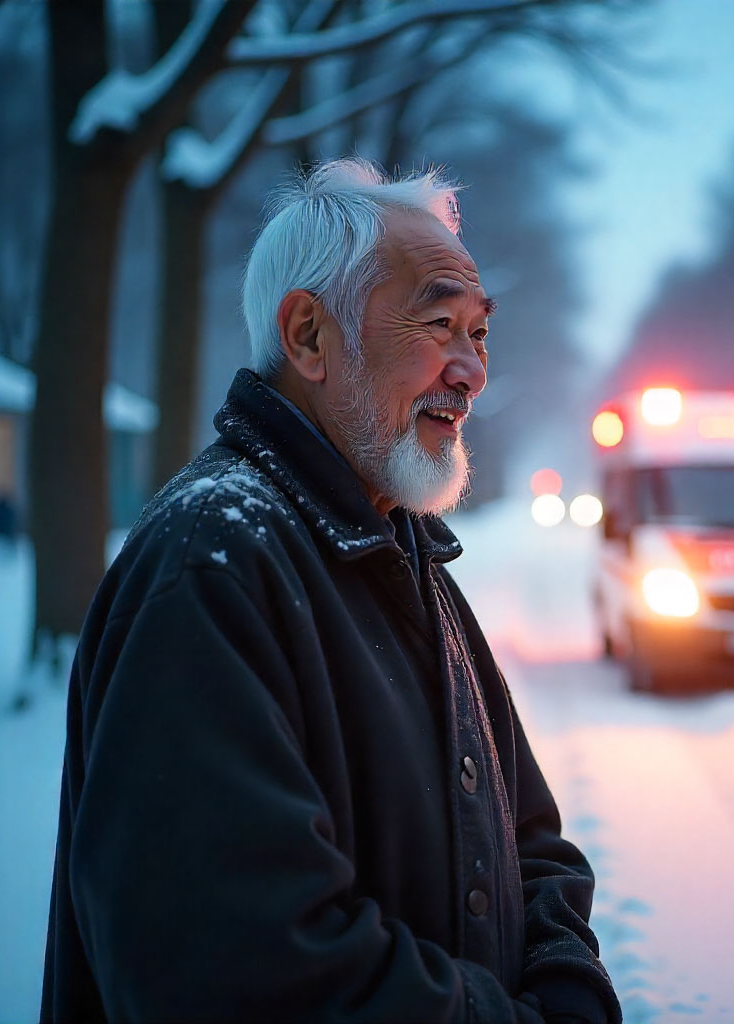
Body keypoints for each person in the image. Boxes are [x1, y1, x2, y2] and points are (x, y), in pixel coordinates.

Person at [41, 158, 620, 1024]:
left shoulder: (406, 550)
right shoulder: (212, 563)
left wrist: (569, 989)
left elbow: (532, 847)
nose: (472, 371)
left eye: (480, 332)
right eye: (438, 324)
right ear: (309, 336)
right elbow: (239, 970)